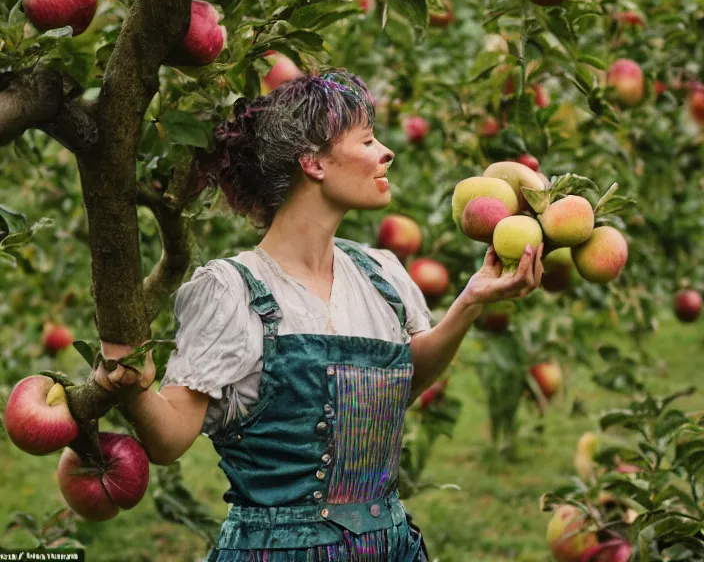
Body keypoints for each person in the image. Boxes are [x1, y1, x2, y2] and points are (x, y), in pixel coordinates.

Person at [94, 70, 544, 561]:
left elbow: (401, 381)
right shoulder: (233, 293)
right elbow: (170, 439)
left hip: (390, 546)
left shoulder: (381, 276)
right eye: (368, 140)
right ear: (312, 162)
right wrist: (132, 386)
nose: (386, 152)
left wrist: (471, 300)